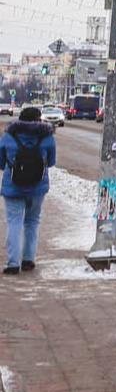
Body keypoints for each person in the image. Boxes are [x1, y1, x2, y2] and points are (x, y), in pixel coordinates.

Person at [3, 105, 55, 276]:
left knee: (14, 222)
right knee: (32, 222)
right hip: (37, 187)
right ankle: (28, 260)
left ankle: (12, 263)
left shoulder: (9, 136)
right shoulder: (47, 137)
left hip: (13, 186)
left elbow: (1, 161)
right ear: (38, 119)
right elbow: (52, 161)